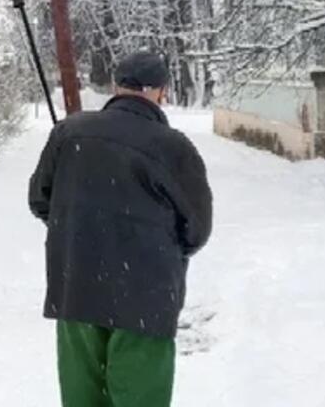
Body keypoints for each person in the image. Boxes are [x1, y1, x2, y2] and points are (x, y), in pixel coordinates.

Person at [29, 51, 213, 407]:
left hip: (76, 288)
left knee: (82, 398)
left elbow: (40, 199)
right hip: (145, 300)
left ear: (116, 86)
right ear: (161, 91)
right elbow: (196, 229)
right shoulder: (173, 148)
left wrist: (81, 230)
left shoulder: (69, 133)